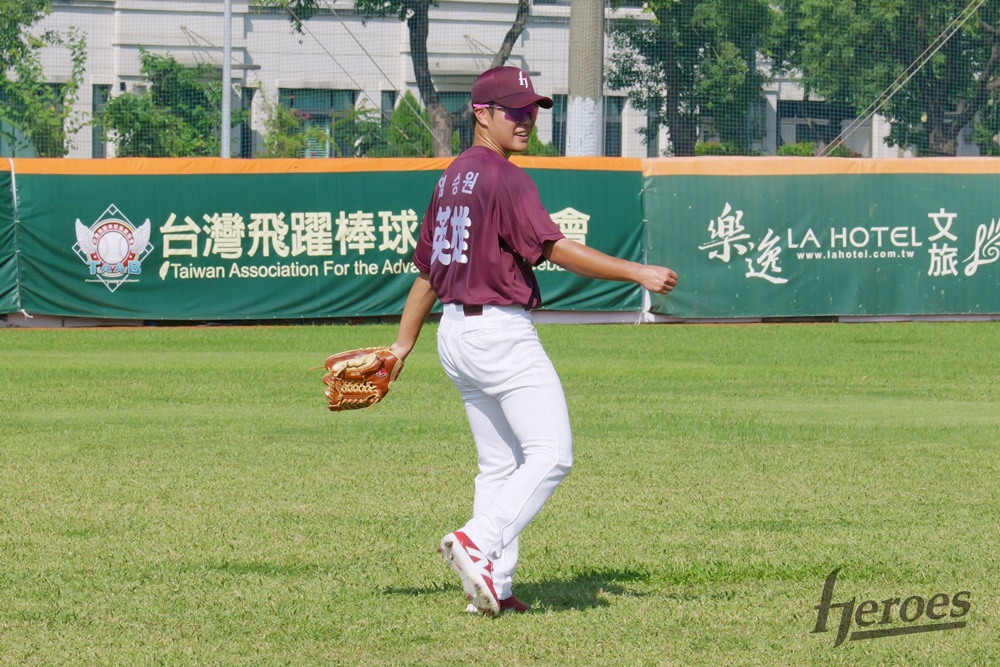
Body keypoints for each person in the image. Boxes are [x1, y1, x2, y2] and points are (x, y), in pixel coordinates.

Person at [389, 66, 678, 616]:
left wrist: (404, 344)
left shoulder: (451, 177)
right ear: (482, 113)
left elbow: (427, 273)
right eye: (514, 110)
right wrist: (636, 273)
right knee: (552, 454)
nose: (527, 120)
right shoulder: (503, 176)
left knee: (498, 465)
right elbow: (554, 248)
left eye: (533, 109)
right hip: (498, 332)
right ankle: (478, 539)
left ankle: (492, 585)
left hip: (455, 333)